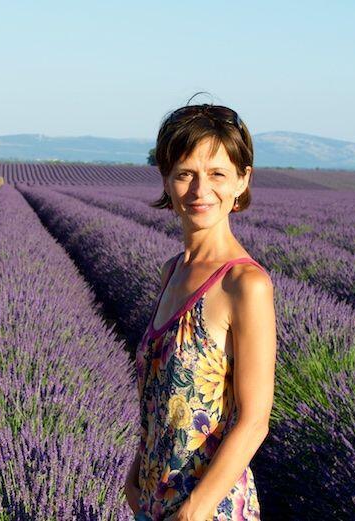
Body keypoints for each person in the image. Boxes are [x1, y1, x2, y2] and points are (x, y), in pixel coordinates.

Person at [124, 102, 276, 521]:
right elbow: (161, 395)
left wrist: (195, 509)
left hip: (209, 508)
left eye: (217, 174)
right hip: (155, 501)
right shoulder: (171, 271)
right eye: (185, 173)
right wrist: (135, 476)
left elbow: (254, 420)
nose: (199, 190)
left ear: (242, 181)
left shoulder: (245, 285)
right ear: (167, 180)